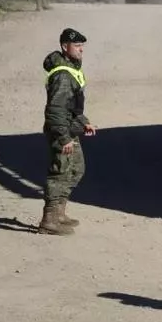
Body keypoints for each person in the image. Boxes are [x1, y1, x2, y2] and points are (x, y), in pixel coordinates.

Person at [38, 28, 97, 235]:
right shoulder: (63, 75)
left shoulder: (70, 68)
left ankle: (60, 213)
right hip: (62, 133)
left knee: (75, 170)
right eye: (77, 46)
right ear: (65, 46)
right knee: (60, 172)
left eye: (82, 46)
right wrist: (63, 139)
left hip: (70, 130)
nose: (81, 50)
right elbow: (55, 110)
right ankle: (49, 220)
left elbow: (72, 105)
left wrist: (83, 121)